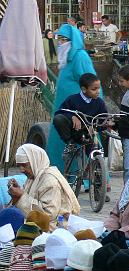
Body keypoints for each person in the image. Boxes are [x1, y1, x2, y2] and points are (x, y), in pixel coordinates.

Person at [47, 23, 97, 170]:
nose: (61, 43)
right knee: (61, 142)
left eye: (64, 40)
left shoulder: (80, 56)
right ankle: (61, 173)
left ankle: (91, 178)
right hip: (64, 111)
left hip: (79, 111)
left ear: (72, 40)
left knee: (83, 143)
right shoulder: (66, 59)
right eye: (59, 39)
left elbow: (91, 82)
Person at [9, 143, 80, 222]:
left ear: (35, 161)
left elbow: (48, 215)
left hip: (53, 227)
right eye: (19, 166)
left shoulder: (50, 181)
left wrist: (21, 196)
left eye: (24, 165)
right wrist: (17, 194)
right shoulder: (33, 176)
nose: (21, 170)